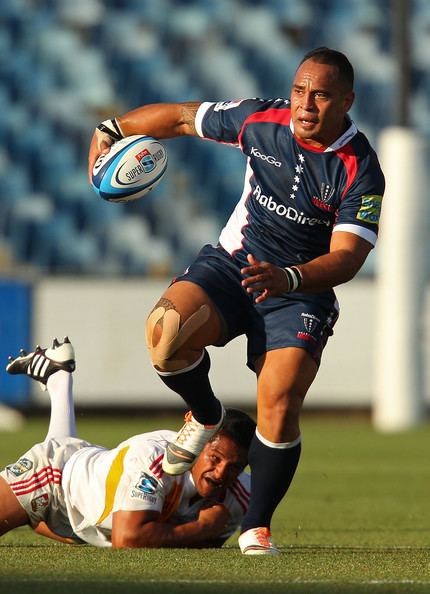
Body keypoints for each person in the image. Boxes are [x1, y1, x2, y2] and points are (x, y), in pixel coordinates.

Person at [88, 47, 385, 555]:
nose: (305, 104)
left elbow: (349, 257)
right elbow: (183, 118)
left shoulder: (361, 169)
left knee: (281, 400)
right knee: (164, 334)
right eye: (299, 91)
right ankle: (205, 415)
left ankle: (255, 524)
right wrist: (114, 128)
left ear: (347, 101)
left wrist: (289, 278)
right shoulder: (259, 120)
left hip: (298, 291)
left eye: (321, 95)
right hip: (233, 266)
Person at [0, 339, 255, 548]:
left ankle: (58, 375)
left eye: (234, 466)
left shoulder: (240, 493)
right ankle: (59, 378)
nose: (221, 473)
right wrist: (202, 528)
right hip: (52, 481)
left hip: (89, 519)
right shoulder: (152, 457)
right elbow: (129, 538)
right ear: (198, 443)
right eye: (215, 458)